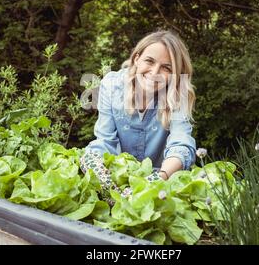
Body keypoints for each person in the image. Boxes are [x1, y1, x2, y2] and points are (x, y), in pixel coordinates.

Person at [79, 30, 196, 198]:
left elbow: (182, 145)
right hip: (119, 179)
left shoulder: (178, 93)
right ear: (136, 59)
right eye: (149, 61)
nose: (155, 72)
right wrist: (95, 163)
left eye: (166, 68)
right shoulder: (111, 85)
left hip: (162, 184)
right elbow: (105, 141)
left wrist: (159, 178)